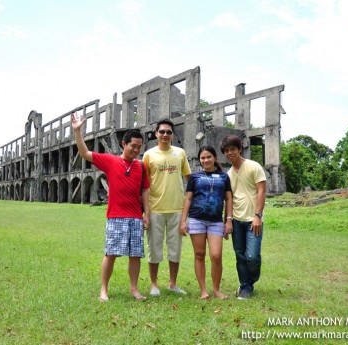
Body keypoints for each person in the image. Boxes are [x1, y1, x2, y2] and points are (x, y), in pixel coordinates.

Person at [71, 112, 150, 302]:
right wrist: (78, 132)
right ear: (124, 144)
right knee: (111, 253)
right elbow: (85, 153)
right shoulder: (111, 161)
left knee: (135, 255)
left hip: (135, 217)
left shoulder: (141, 166)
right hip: (116, 216)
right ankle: (104, 289)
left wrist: (147, 213)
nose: (136, 150)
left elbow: (145, 190)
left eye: (139, 147)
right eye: (133, 146)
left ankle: (134, 289)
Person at [143, 118, 191, 297]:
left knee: (175, 249)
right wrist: (145, 212)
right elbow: (144, 185)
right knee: (154, 248)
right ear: (156, 133)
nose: (165, 135)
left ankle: (173, 284)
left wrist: (189, 206)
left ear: (173, 135)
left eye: (168, 132)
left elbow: (189, 180)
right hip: (155, 209)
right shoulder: (149, 155)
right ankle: (154, 285)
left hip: (177, 209)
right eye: (162, 131)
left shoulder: (180, 153)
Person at [179, 146, 233, 300]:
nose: (206, 160)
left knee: (216, 255)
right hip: (196, 219)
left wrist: (228, 220)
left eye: (208, 157)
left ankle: (216, 289)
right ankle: (203, 290)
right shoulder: (195, 177)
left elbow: (229, 198)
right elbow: (188, 198)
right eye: (202, 158)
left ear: (215, 158)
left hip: (216, 221)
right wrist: (183, 221)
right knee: (199, 254)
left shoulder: (224, 177)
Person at [220, 135, 266, 300]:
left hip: (253, 219)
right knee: (240, 255)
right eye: (226, 151)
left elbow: (261, 191)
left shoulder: (253, 166)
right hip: (237, 220)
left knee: (252, 257)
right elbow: (229, 199)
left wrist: (258, 216)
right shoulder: (229, 174)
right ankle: (246, 287)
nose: (230, 153)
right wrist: (228, 220)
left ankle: (251, 280)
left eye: (233, 149)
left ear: (240, 149)